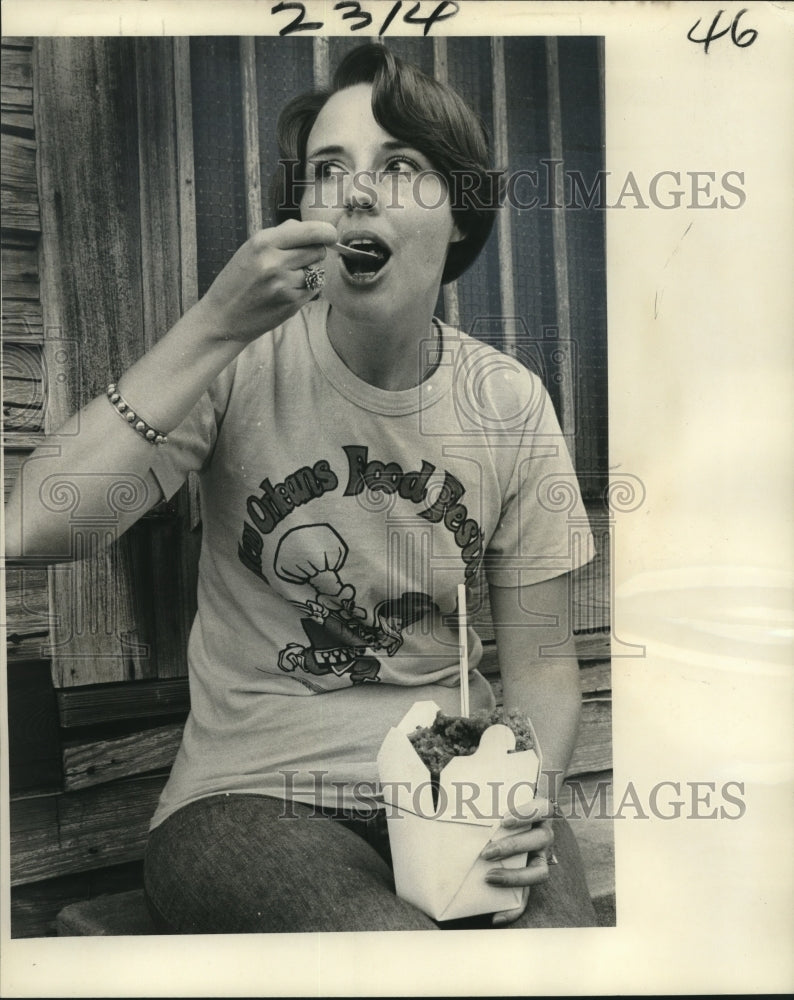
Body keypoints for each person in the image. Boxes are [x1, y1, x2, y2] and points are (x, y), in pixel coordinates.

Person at [5, 43, 597, 932]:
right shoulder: (238, 361)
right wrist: (210, 326)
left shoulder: (510, 404)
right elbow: (33, 529)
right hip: (248, 800)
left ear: (462, 217)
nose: (357, 191)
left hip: (455, 783)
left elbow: (545, 667)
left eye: (400, 166)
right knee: (394, 959)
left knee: (560, 959)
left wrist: (528, 798)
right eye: (329, 171)